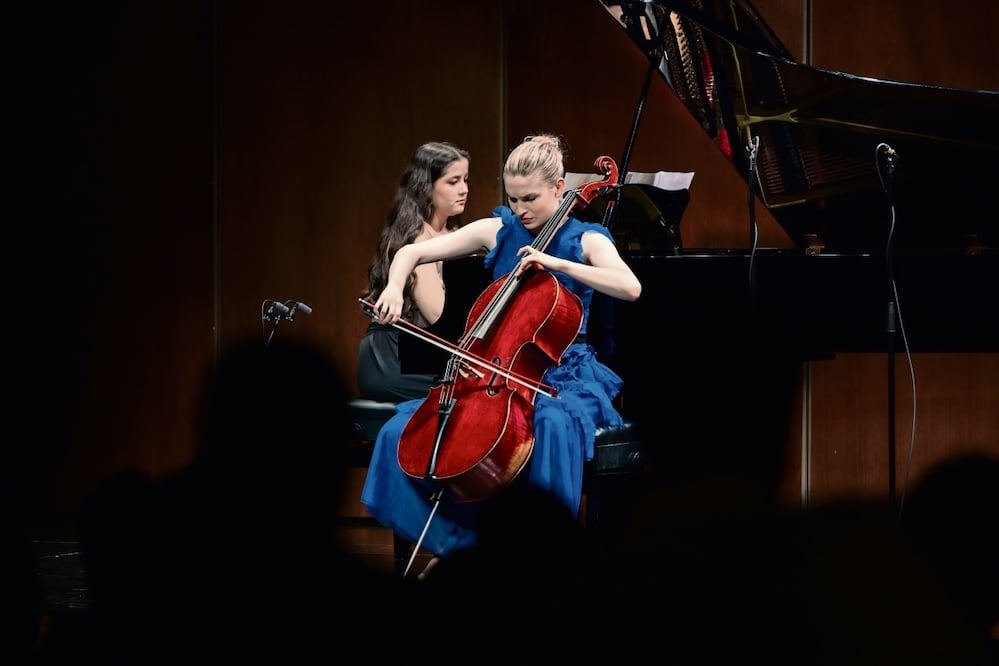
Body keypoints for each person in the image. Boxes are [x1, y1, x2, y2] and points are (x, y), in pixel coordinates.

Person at [361, 134, 642, 562]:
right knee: (401, 432)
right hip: (494, 371)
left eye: (530, 198)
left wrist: (558, 264)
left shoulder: (588, 239)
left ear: (559, 187)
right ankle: (458, 547)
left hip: (563, 374)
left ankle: (544, 556)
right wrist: (396, 287)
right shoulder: (498, 229)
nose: (520, 210)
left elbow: (630, 287)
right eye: (512, 199)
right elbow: (410, 252)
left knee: (549, 426)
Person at [357, 141, 470, 402]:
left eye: (465, 179)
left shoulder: (455, 234)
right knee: (470, 397)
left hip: (428, 354)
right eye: (453, 181)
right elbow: (438, 315)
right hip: (394, 359)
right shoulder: (415, 239)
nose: (464, 189)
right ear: (425, 186)